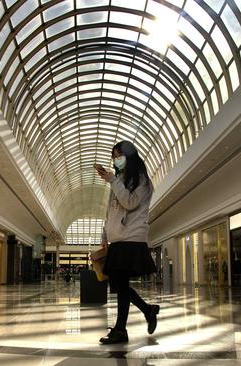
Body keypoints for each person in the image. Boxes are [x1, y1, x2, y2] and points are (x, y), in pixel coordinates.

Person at [94, 140, 159, 344]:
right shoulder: (120, 180)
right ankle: (147, 311)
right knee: (118, 283)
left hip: (132, 238)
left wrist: (113, 180)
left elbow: (129, 203)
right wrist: (104, 236)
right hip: (117, 240)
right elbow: (110, 213)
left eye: (118, 155)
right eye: (113, 156)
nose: (115, 160)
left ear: (129, 156)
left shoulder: (142, 181)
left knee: (120, 284)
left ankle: (122, 328)